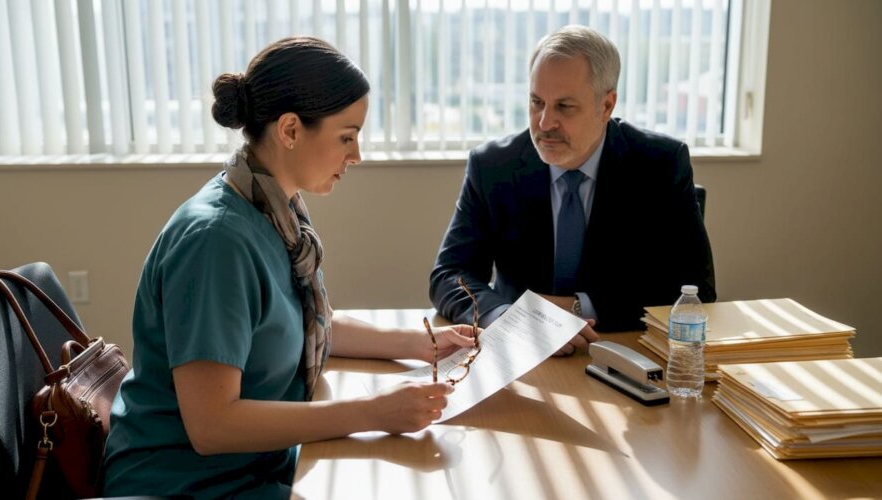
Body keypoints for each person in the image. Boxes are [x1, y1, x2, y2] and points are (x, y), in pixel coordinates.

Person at [102, 37, 476, 498]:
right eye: (347, 136)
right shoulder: (216, 242)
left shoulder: (274, 208)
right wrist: (375, 412)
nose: (356, 155)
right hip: (187, 484)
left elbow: (303, 322)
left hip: (256, 467)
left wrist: (423, 344)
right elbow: (212, 425)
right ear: (291, 130)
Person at [430, 25, 716, 355]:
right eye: (537, 102)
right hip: (520, 356)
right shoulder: (494, 166)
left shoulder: (659, 164)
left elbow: (695, 289)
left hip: (623, 352)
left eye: (564, 107)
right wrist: (507, 318)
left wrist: (576, 309)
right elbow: (450, 274)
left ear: (606, 105)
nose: (544, 123)